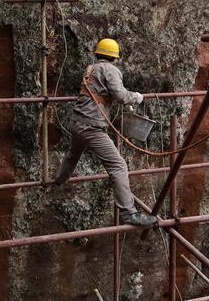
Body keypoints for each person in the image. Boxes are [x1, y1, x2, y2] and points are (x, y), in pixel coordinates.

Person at [53, 38, 158, 227]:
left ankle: (59, 181)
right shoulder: (110, 70)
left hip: (77, 122)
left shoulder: (90, 69)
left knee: (73, 154)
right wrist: (136, 97)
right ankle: (128, 212)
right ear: (114, 57)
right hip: (91, 126)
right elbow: (119, 95)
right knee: (118, 166)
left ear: (98, 53)